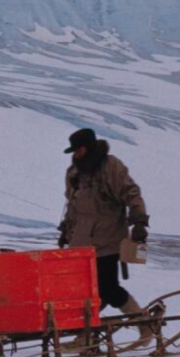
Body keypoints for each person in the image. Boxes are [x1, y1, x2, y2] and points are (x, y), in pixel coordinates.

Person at [57, 128, 156, 345]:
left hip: (108, 239)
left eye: (79, 150)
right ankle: (87, 334)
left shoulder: (111, 167)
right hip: (81, 243)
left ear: (88, 148)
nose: (76, 154)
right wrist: (65, 231)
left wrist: (139, 221)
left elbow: (132, 193)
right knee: (85, 291)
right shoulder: (74, 172)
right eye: (74, 151)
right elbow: (72, 206)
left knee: (108, 287)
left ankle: (144, 324)